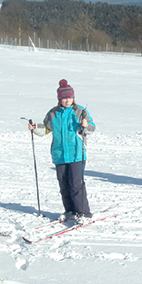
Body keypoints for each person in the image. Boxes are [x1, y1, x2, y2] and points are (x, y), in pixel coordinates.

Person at [28, 79, 96, 224]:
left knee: (76, 184)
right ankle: (70, 210)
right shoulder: (53, 113)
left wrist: (85, 125)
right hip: (59, 155)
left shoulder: (80, 111)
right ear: (59, 99)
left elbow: (91, 128)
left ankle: (84, 213)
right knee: (64, 184)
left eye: (70, 97)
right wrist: (35, 128)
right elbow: (46, 128)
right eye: (64, 98)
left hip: (77, 154)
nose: (67, 100)